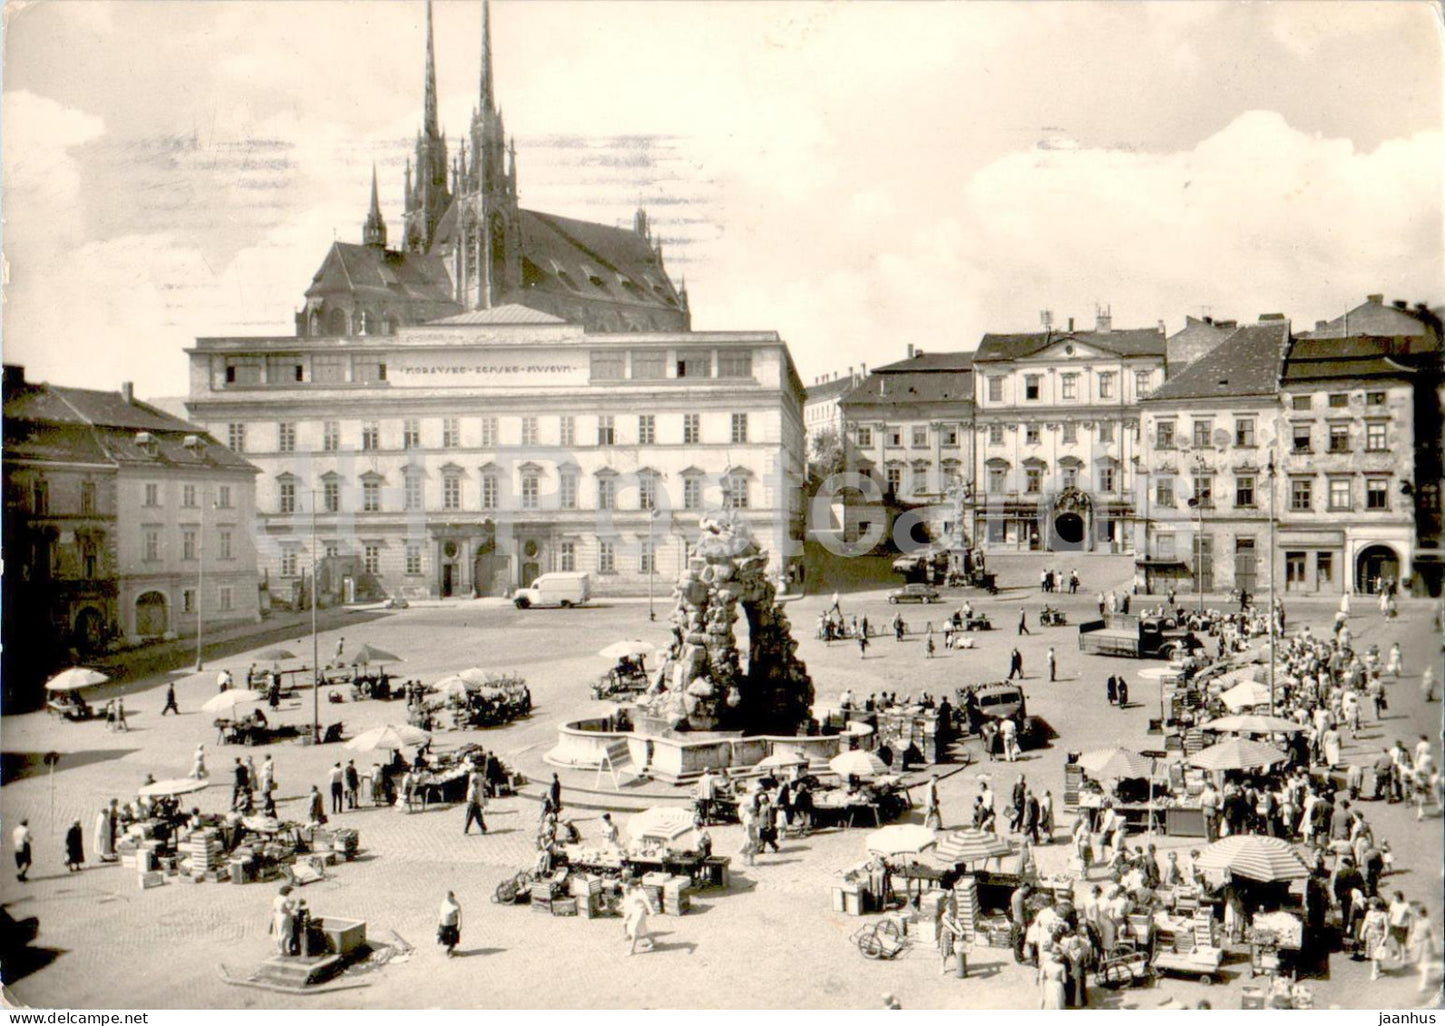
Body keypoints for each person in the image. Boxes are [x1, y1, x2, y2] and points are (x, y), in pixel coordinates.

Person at [622, 876, 655, 955]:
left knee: (635, 929)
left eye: (630, 885)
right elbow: (630, 902)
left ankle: (632, 950)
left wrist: (651, 911)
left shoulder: (641, 892)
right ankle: (652, 941)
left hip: (641, 912)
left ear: (634, 885)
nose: (629, 887)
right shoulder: (633, 891)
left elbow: (647, 902)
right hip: (634, 912)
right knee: (643, 929)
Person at [1361, 896, 1390, 981]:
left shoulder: (1383, 915)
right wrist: (1362, 932)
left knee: (1375, 955)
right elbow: (1365, 923)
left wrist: (1385, 937)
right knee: (1373, 954)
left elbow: (1387, 927)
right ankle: (1378, 965)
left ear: (1375, 905)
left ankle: (1374, 973)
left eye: (1371, 904)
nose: (1369, 905)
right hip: (1370, 935)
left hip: (1378, 937)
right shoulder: (1369, 913)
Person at [272, 885, 297, 956]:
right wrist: (293, 902)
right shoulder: (285, 899)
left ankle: (279, 949)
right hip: (284, 917)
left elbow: (273, 909)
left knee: (279, 933)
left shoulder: (276, 899)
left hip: (278, 917)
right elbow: (290, 907)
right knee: (284, 934)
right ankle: (283, 950)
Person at [437, 890, 462, 957]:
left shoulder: (456, 905)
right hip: (444, 923)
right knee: (443, 936)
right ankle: (447, 946)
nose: (448, 899)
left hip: (453, 924)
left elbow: (460, 916)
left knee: (454, 937)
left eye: (449, 897)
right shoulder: (444, 903)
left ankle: (450, 949)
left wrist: (460, 925)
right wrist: (439, 922)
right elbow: (441, 913)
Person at [463, 770, 488, 835]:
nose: (478, 783)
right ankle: (466, 830)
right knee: (471, 818)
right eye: (477, 782)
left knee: (478, 817)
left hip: (473, 804)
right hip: (473, 804)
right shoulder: (473, 790)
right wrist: (479, 804)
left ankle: (483, 829)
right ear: (474, 782)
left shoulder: (473, 788)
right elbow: (474, 798)